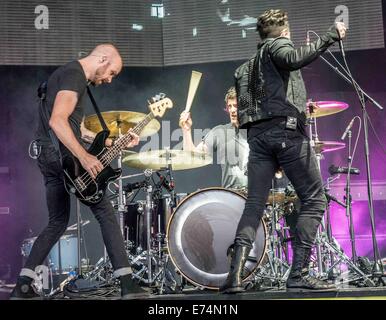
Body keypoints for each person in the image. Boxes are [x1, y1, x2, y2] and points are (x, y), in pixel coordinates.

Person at [220, 9, 347, 293]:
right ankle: (299, 273)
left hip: (259, 139)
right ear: (284, 30)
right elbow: (293, 59)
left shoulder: (245, 69)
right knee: (314, 200)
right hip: (285, 135)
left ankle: (234, 277)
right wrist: (331, 35)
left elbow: (256, 107)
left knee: (254, 205)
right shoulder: (278, 44)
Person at [11, 44, 147, 299]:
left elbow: (78, 130)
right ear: (103, 58)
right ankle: (128, 285)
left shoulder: (69, 76)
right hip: (63, 158)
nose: (109, 79)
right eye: (112, 72)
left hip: (48, 155)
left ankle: (23, 286)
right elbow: (57, 121)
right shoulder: (74, 74)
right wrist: (84, 157)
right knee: (106, 212)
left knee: (57, 222)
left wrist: (111, 142)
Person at [179, 87, 249, 191]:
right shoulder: (220, 132)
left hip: (256, 197)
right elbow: (192, 156)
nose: (232, 110)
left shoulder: (258, 131)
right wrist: (186, 130)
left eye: (236, 106)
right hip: (230, 198)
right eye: (230, 106)